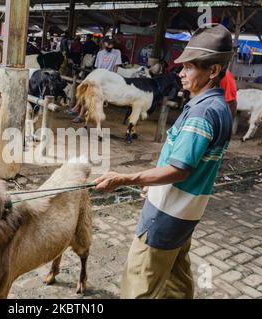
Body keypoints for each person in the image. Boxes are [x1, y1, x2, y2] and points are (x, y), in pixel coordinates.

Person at [94, 24, 233, 299]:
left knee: (139, 284)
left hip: (166, 215)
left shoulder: (201, 114)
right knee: (176, 280)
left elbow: (179, 170)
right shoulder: (220, 107)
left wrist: (125, 178)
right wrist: (155, 183)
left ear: (213, 71)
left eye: (189, 67)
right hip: (187, 213)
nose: (180, 73)